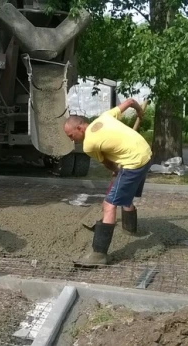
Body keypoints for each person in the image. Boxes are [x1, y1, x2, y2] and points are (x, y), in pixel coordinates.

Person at [63, 98, 152, 267]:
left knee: (110, 205)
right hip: (145, 154)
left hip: (133, 163)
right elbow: (131, 101)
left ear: (80, 128)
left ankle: (99, 255)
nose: (72, 140)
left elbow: (107, 163)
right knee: (127, 193)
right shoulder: (105, 117)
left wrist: (117, 170)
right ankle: (130, 229)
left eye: (71, 135)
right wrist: (139, 111)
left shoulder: (89, 144)